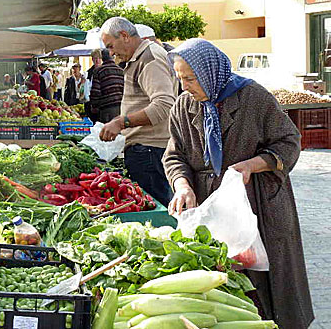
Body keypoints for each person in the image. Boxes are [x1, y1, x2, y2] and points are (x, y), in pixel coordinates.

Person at [163, 38, 313, 329]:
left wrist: (253, 165)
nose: (185, 87)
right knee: (223, 283)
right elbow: (174, 155)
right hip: (209, 205)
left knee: (265, 283)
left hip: (258, 203)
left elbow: (289, 141)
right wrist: (182, 185)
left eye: (190, 79)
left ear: (210, 73)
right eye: (180, 79)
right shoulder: (183, 106)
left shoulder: (252, 98)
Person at [99, 17, 175, 206]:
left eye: (110, 46)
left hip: (151, 150)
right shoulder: (139, 57)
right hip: (146, 149)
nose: (111, 52)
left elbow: (164, 104)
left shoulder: (149, 58)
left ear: (124, 36)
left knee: (156, 212)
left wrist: (121, 122)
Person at [89, 49, 124, 123]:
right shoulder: (121, 70)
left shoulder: (98, 71)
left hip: (106, 109)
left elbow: (96, 92)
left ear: (102, 58)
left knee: (108, 132)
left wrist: (94, 106)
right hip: (121, 107)